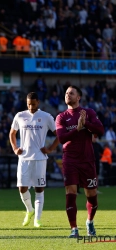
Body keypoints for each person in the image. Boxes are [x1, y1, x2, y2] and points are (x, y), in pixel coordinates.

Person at [55, 85, 104, 238]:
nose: (68, 95)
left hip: (87, 160)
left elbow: (100, 130)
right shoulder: (61, 117)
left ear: (79, 97)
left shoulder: (88, 113)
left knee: (92, 195)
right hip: (70, 159)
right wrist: (77, 129)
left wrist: (86, 124)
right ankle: (74, 229)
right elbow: (62, 138)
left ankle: (89, 221)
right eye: (66, 93)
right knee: (70, 192)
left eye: (71, 93)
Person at [9, 92, 59, 228]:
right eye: (28, 104)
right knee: (22, 188)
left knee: (39, 188)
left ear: (38, 102)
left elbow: (58, 135)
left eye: (33, 104)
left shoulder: (46, 117)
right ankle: (29, 210)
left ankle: (37, 219)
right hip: (24, 157)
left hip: (39, 158)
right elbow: (12, 133)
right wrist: (15, 148)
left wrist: (50, 149)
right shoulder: (20, 116)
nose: (30, 107)